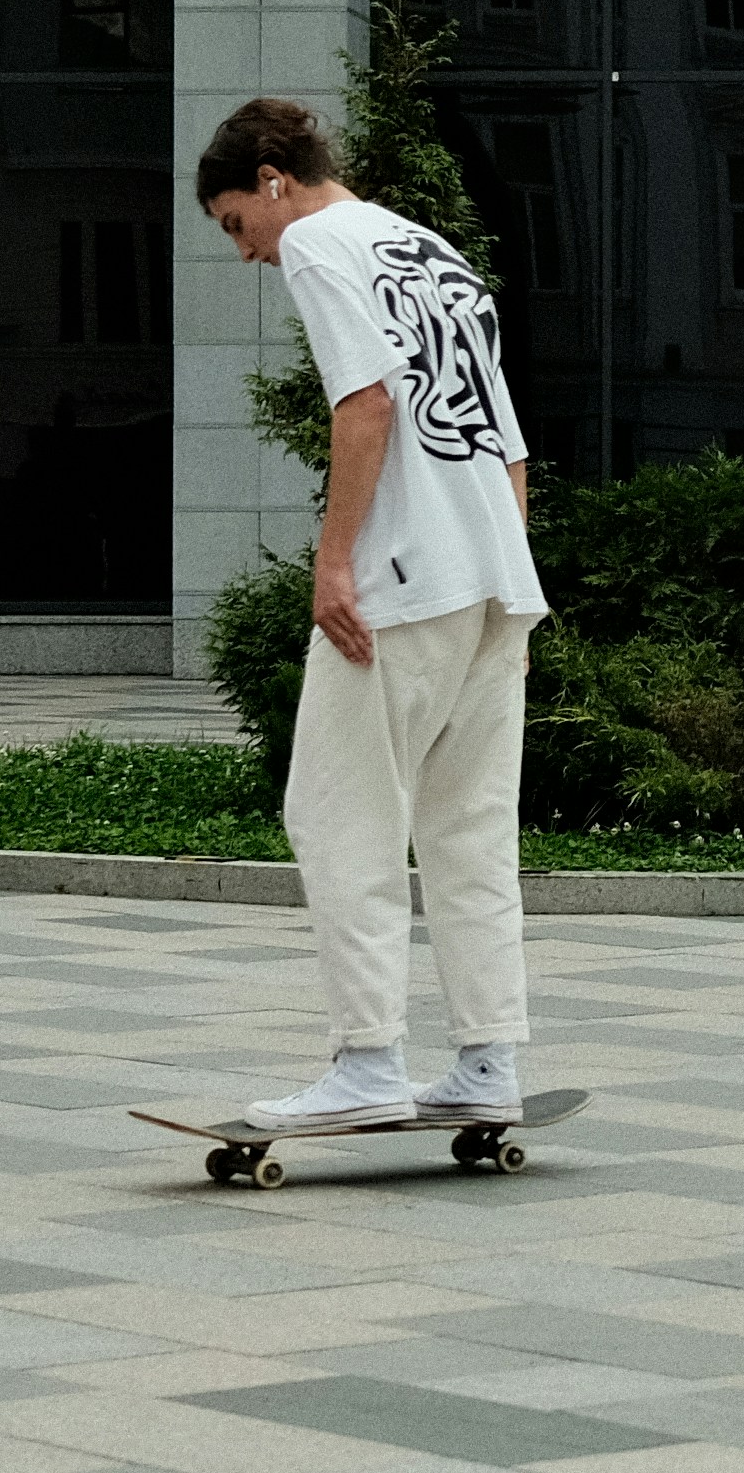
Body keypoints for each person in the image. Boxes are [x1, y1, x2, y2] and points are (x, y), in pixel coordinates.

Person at [194, 95, 546, 1132]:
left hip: (406, 579)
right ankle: (487, 1057)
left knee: (337, 807)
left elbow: (367, 402)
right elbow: (508, 445)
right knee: (469, 826)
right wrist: (509, 592)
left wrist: (335, 561)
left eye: (233, 223)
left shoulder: (318, 241)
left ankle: (367, 1058)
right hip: (491, 578)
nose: (246, 251)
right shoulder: (432, 249)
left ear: (271, 178)